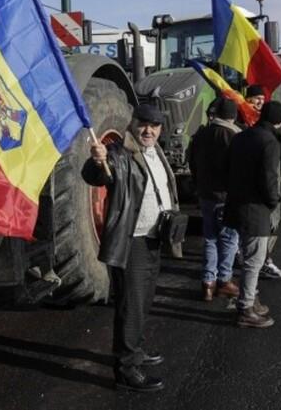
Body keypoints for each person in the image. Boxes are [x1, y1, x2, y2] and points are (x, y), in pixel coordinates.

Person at [82, 103, 179, 393]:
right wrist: (98, 160)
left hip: (153, 239)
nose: (148, 130)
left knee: (144, 301)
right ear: (132, 124)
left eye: (155, 126)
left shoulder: (155, 152)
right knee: (130, 306)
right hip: (132, 242)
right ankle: (126, 370)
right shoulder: (119, 154)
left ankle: (135, 349)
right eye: (143, 124)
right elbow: (99, 174)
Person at [225, 101, 281, 328]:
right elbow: (270, 180)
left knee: (247, 256)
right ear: (279, 121)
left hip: (236, 205)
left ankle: (251, 298)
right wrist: (273, 203)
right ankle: (246, 308)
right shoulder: (270, 142)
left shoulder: (241, 136)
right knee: (254, 261)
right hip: (256, 209)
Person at [189, 98, 241, 302]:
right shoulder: (234, 135)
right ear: (233, 116)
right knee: (229, 238)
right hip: (225, 195)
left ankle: (207, 283)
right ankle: (224, 280)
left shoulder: (200, 134)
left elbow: (191, 162)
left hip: (205, 194)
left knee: (210, 238)